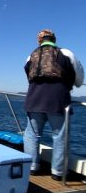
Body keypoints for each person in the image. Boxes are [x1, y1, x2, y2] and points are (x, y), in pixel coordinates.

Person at [23, 29, 84, 181]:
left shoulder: (31, 55)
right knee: (60, 136)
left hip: (34, 99)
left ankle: (32, 168)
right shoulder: (67, 53)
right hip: (58, 100)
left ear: (40, 40)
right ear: (54, 39)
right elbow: (79, 79)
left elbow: (29, 76)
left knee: (32, 135)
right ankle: (58, 172)